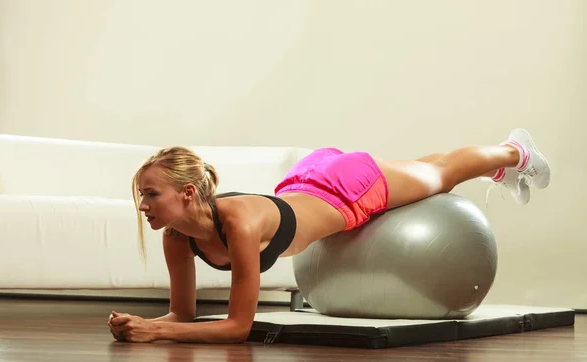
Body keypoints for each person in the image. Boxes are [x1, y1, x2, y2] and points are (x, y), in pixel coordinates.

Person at [107, 128, 550, 343]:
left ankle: (517, 152)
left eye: (150, 194)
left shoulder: (238, 224)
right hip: (302, 185)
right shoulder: (177, 236)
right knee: (423, 168)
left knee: (440, 172)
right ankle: (496, 166)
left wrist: (157, 334)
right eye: (141, 195)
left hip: (346, 191)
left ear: (187, 193)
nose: (142, 204)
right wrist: (144, 325)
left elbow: (238, 327)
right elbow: (182, 314)